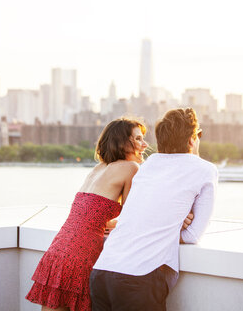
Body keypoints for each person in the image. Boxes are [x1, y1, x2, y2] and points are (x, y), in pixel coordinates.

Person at [90, 108, 218, 311]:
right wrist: (171, 225)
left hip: (102, 272)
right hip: (139, 277)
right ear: (192, 139)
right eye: (198, 135)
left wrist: (165, 220)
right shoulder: (205, 170)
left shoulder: (148, 165)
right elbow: (193, 235)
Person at [25, 118, 148, 311]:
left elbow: (89, 214)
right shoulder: (131, 168)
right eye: (139, 139)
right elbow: (131, 218)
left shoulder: (98, 168)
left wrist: (104, 223)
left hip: (58, 252)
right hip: (80, 256)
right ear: (123, 142)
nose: (145, 145)